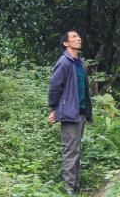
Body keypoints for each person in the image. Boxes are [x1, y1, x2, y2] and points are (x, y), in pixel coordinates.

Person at [48, 30, 92, 196]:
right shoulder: (64, 62)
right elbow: (54, 87)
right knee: (70, 151)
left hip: (80, 112)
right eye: (74, 37)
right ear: (66, 43)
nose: (78, 38)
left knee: (76, 150)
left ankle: (76, 186)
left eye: (79, 36)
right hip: (69, 113)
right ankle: (69, 188)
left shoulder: (80, 62)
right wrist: (54, 108)